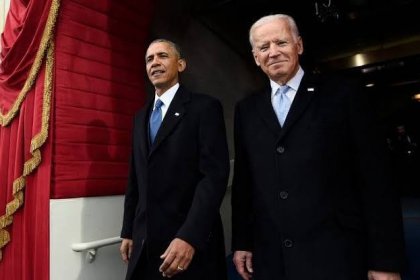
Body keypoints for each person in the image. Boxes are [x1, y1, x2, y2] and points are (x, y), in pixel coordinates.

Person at [231, 14, 405, 280]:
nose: (273, 52)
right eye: (264, 47)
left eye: (281, 42)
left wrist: (385, 260)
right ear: (255, 57)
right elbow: (245, 183)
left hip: (337, 256)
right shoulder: (246, 110)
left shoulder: (343, 95)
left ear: (298, 45)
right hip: (272, 260)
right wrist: (242, 241)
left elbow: (376, 180)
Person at [120, 39, 230, 280]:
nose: (155, 63)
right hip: (145, 243)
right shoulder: (140, 117)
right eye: (149, 59)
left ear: (180, 64)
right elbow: (135, 179)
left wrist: (189, 236)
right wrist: (128, 230)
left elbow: (213, 178)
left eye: (162, 56)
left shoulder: (205, 108)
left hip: (187, 242)